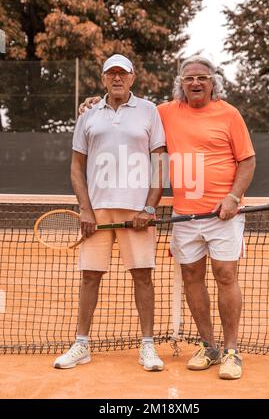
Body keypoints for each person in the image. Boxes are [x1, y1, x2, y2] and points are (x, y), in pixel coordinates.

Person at [79, 55, 256, 380]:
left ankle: (231, 351)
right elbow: (125, 109)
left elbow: (247, 161)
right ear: (181, 83)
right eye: (189, 78)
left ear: (213, 81)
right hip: (185, 215)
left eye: (202, 77)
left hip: (224, 214)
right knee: (192, 278)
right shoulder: (161, 112)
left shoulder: (230, 114)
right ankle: (209, 346)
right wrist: (94, 102)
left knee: (225, 275)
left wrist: (232, 198)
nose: (196, 83)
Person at [54, 54, 166, 371]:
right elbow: (77, 167)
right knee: (90, 277)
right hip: (96, 214)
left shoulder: (149, 110)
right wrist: (85, 209)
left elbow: (160, 162)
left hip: (137, 213)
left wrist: (148, 207)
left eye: (123, 73)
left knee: (142, 276)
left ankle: (147, 346)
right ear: (103, 78)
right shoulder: (88, 115)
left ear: (133, 77)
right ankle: (81, 344)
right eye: (111, 73)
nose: (117, 78)